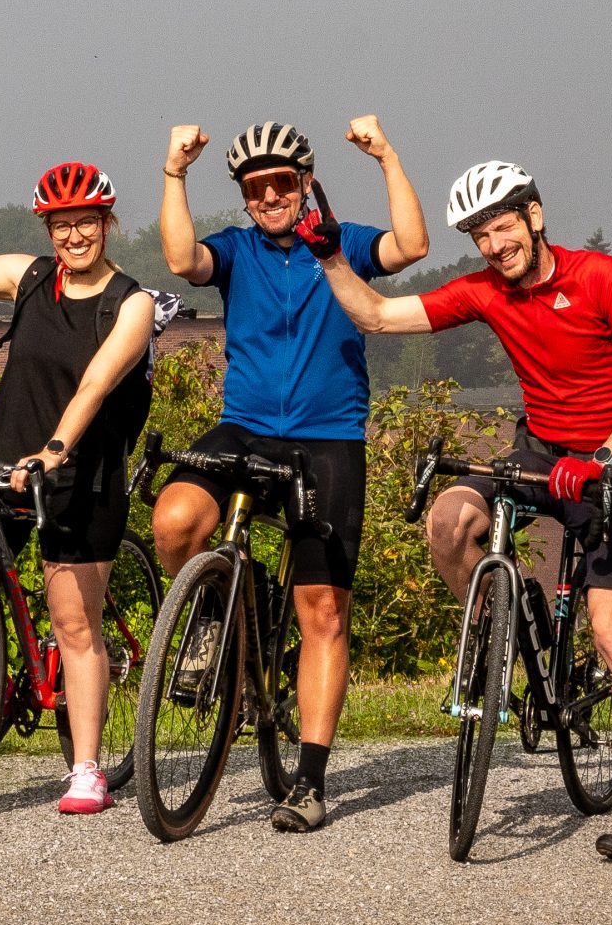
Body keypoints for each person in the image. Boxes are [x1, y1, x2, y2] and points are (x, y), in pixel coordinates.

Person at [311, 159, 612, 861]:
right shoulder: (485, 292)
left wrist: (603, 458)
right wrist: (329, 254)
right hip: (541, 449)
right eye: (479, 234)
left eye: (502, 226)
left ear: (534, 217)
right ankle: (498, 623)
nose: (492, 244)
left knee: (611, 627)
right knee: (449, 521)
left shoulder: (597, 276)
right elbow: (379, 315)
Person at [153, 116, 428, 833]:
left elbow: (414, 245)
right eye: (256, 188)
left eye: (282, 183)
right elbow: (182, 261)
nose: (270, 196)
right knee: (174, 519)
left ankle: (308, 780)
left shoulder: (342, 244)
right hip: (244, 425)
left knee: (323, 614)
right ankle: (218, 615)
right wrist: (175, 172)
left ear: (305, 183)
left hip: (328, 438)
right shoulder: (239, 250)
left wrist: (387, 154)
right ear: (244, 197)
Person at [0, 161, 165, 815]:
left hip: (80, 471)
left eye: (86, 222)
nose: (75, 236)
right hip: (4, 458)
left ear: (107, 224)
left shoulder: (132, 303)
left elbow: (95, 383)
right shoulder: (30, 279)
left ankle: (85, 770)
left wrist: (56, 450)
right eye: (62, 225)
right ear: (49, 229)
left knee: (74, 622)